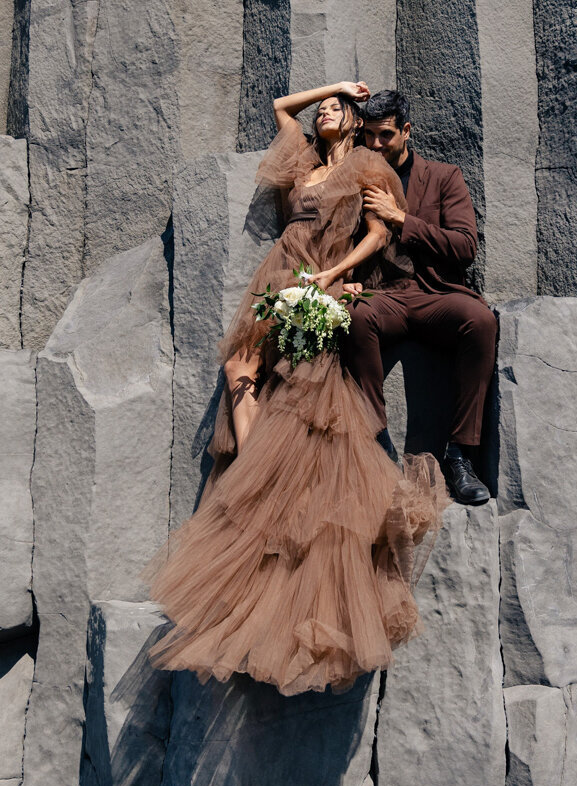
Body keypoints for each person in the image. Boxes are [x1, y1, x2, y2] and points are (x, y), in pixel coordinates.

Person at [142, 81, 449, 697]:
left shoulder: (367, 164)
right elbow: (282, 109)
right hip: (281, 275)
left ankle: (261, 490)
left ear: (358, 121)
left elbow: (379, 234)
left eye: (337, 107)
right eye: (325, 110)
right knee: (239, 371)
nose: (326, 112)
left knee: (300, 391)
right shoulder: (303, 163)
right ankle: (258, 475)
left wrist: (337, 275)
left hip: (324, 279)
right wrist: (334, 86)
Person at [343, 89, 497, 505]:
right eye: (368, 136)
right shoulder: (356, 179)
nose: (375, 145)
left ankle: (460, 455)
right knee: (354, 316)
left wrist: (401, 219)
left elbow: (465, 247)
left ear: (406, 131)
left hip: (434, 293)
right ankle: (376, 441)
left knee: (480, 321)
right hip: (382, 295)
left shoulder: (444, 177)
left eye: (385, 136)